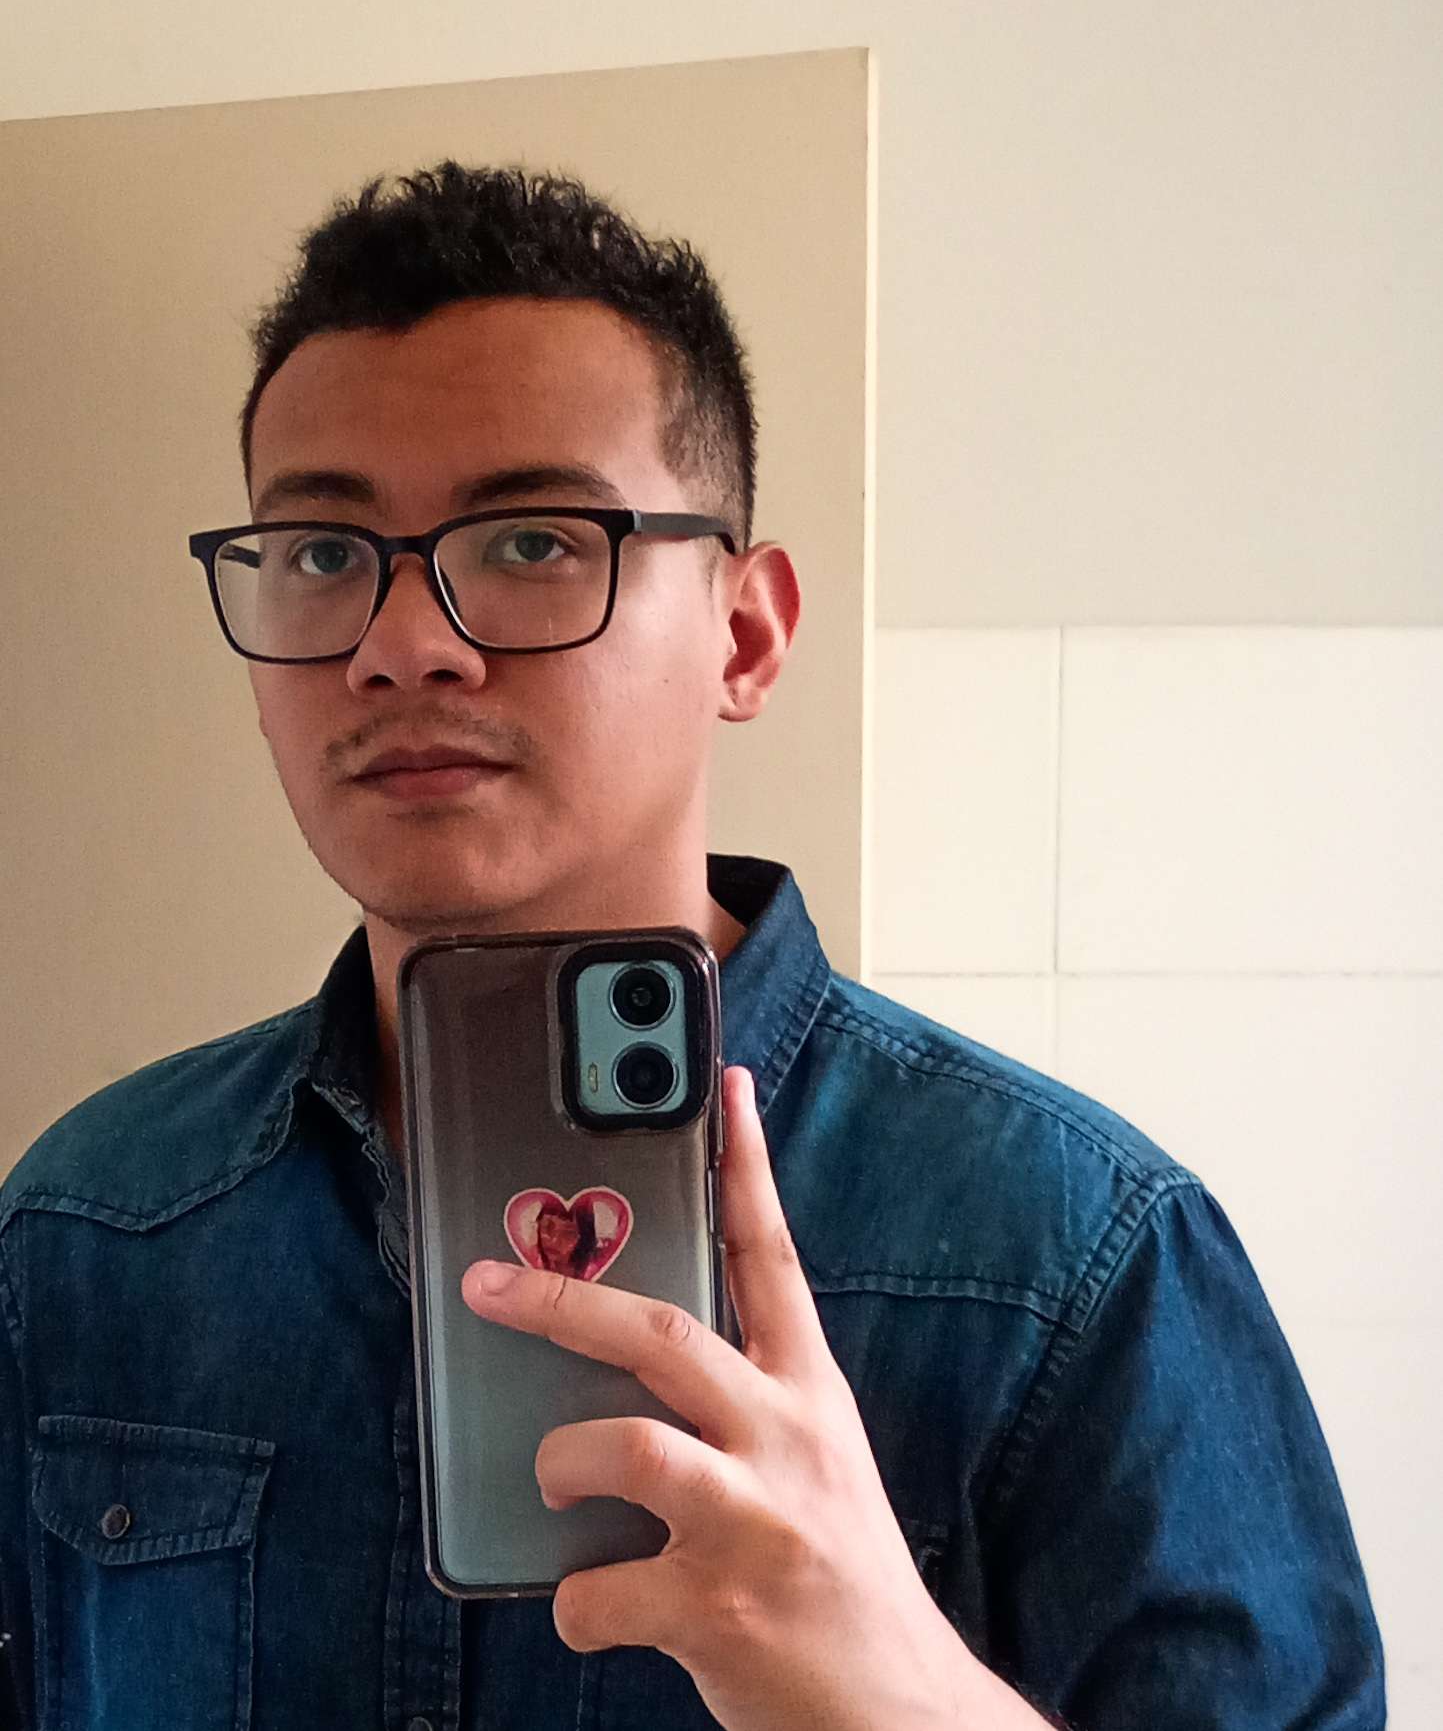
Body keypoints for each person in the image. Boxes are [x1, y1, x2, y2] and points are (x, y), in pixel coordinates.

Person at [0, 162, 1385, 1729]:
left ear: (746, 632)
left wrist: (904, 1692)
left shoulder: (1068, 1260)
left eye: (533, 539)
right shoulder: (89, 1231)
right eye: (322, 554)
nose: (403, 642)